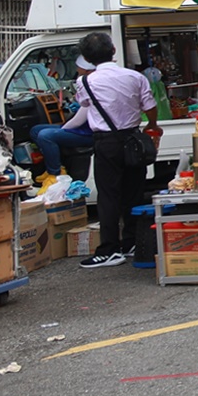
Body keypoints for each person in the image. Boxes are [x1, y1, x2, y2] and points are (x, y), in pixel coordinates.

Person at [63, 31, 159, 267]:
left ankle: (109, 249)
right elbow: (150, 106)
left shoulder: (85, 81)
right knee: (133, 191)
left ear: (86, 57)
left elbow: (85, 105)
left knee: (108, 196)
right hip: (133, 139)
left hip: (106, 142)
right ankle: (131, 242)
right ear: (113, 50)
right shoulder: (135, 76)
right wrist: (153, 126)